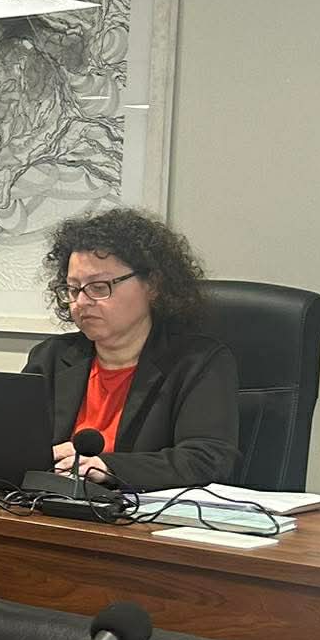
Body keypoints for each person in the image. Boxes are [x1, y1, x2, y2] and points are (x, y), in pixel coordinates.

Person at [23, 207, 239, 491]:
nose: (81, 302)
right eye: (73, 289)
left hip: (141, 514)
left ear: (153, 285)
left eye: (99, 287)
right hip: (50, 506)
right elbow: (14, 442)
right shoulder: (50, 357)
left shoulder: (197, 362)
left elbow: (207, 458)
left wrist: (107, 467)